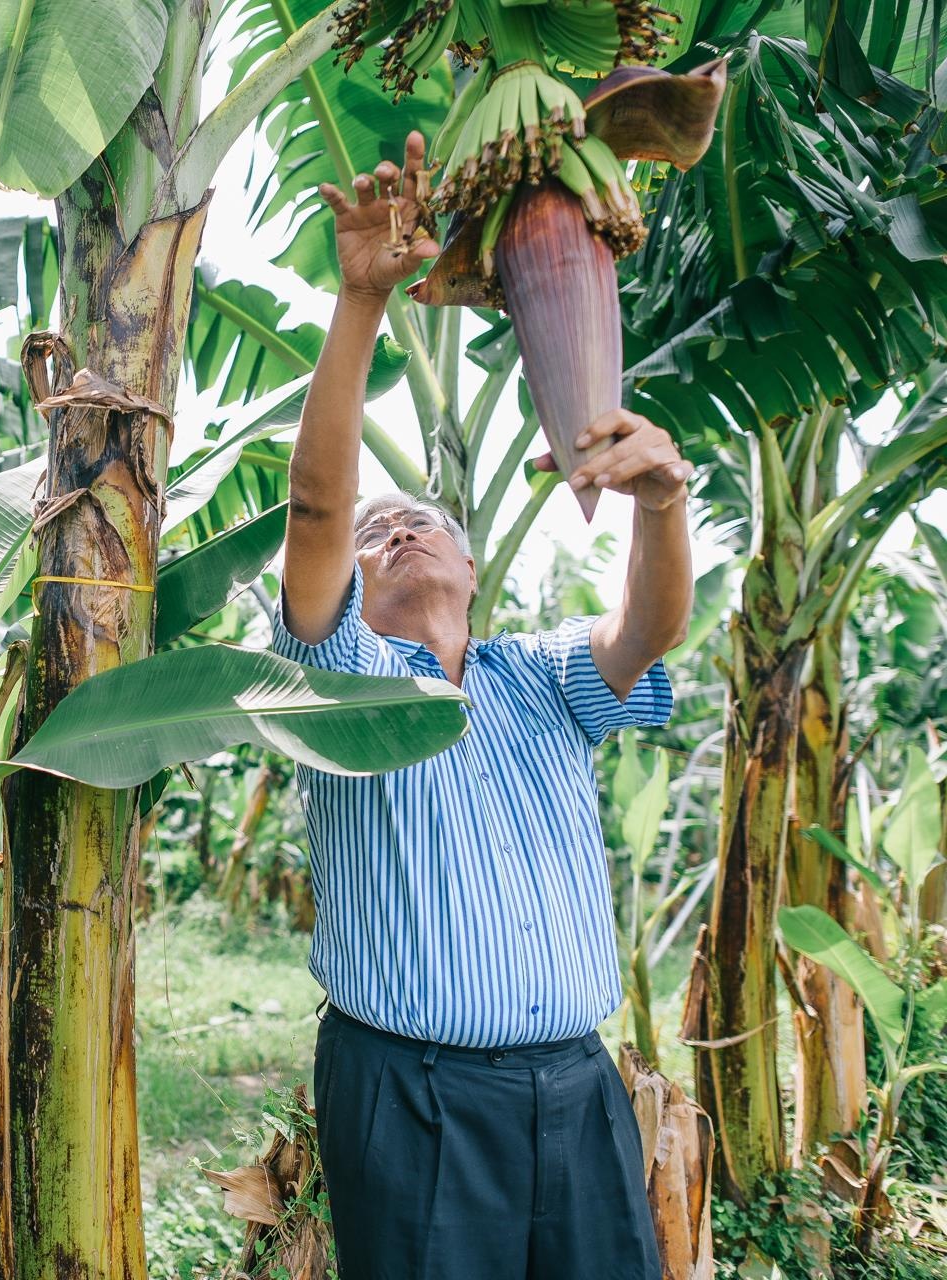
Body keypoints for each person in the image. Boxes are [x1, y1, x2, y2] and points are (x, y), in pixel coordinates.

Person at [275, 131, 695, 1280]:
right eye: (379, 531)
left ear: (470, 567)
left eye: (425, 521)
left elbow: (648, 630)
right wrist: (364, 297)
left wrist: (662, 501)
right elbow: (318, 507)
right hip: (409, 1092)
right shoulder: (337, 683)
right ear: (355, 580)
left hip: (577, 1078)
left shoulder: (540, 681)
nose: (398, 526)